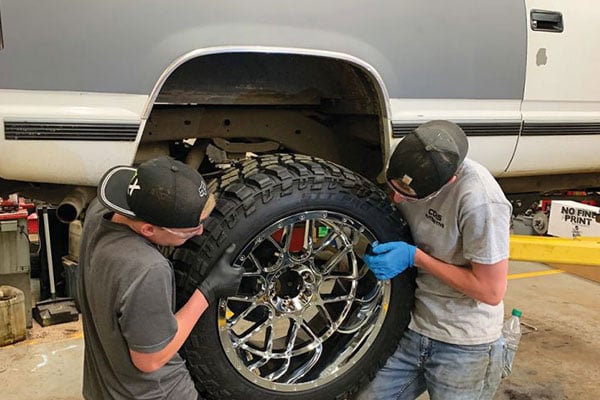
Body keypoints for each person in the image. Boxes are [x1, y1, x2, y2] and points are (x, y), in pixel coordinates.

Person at [357, 120, 512, 400]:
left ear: (448, 182)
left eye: (407, 195)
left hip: (464, 344)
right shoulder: (408, 160)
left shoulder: (480, 201)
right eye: (393, 187)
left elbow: (491, 291)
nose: (396, 197)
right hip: (413, 328)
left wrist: (415, 257)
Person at [77, 156, 243, 400]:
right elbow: (150, 360)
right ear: (148, 229)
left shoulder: (98, 213)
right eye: (190, 230)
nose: (200, 231)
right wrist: (207, 291)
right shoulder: (147, 269)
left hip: (102, 389)